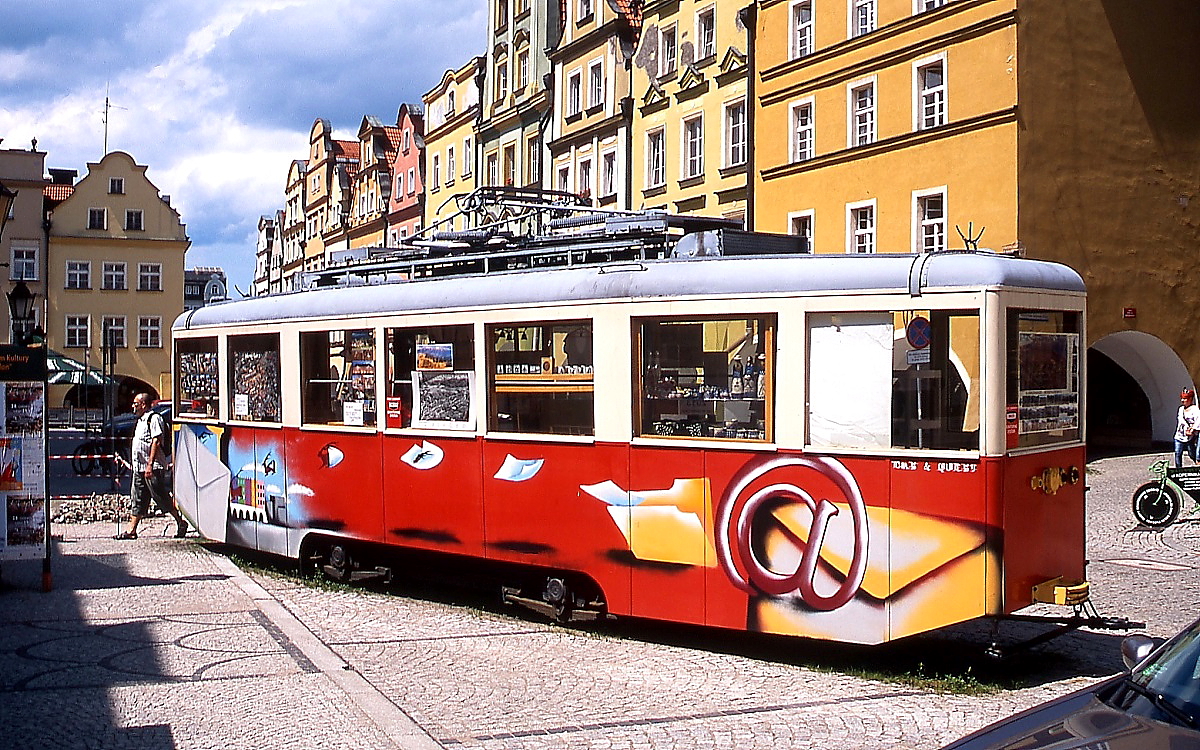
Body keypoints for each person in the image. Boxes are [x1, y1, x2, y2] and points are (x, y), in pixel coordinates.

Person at [113, 393, 189, 540]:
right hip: (139, 468)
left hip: (152, 468)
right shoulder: (141, 420)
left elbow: (156, 441)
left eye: (135, 403)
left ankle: (180, 522)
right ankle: (132, 530)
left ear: (143, 404)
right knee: (138, 497)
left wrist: (150, 464)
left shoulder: (154, 419)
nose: (133, 406)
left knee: (160, 497)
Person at [1174, 388, 1200, 468]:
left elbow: (1198, 420)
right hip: (1180, 435)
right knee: (1177, 453)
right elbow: (1180, 420)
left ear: (1190, 399)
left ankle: (1197, 463)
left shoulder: (1195, 409)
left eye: (1185, 398)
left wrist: (1192, 429)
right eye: (1182, 398)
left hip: (1190, 436)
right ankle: (1178, 470)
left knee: (1191, 452)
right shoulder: (1181, 409)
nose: (1182, 400)